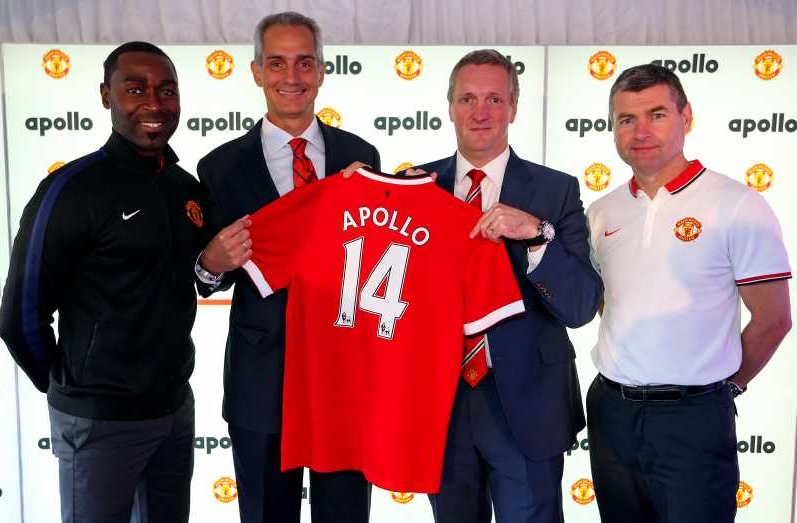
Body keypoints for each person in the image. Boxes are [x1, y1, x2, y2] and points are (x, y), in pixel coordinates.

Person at [0, 42, 206, 522]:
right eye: (135, 89)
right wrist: (75, 393)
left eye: (166, 90)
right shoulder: (70, 190)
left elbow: (206, 274)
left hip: (173, 413)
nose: (153, 103)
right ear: (105, 96)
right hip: (99, 424)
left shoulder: (186, 190)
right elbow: (19, 318)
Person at [195, 11, 380, 523]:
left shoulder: (362, 156)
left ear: (322, 71)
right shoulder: (218, 168)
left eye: (304, 63)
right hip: (261, 384)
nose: (291, 78)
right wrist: (209, 264)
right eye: (276, 63)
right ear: (256, 72)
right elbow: (206, 278)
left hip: (343, 381)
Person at [586, 63, 792, 522]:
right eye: (626, 119)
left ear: (687, 117)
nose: (641, 130)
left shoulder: (737, 204)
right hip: (611, 413)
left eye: (656, 114)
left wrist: (722, 389)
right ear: (613, 130)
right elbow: (607, 303)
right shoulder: (601, 211)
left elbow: (774, 319)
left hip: (693, 419)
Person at [411, 49, 602, 523]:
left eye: (494, 99)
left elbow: (580, 306)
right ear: (450, 105)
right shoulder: (415, 188)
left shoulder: (555, 191)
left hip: (527, 405)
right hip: (440, 404)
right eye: (468, 98)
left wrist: (537, 235)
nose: (480, 112)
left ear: (514, 107)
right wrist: (362, 194)